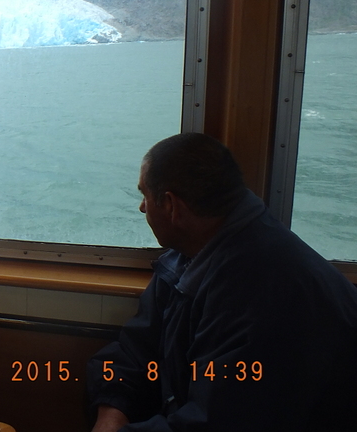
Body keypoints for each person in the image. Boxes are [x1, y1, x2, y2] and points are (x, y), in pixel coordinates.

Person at [87, 133, 357, 432]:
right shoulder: (187, 258)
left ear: (170, 205)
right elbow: (136, 351)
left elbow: (217, 422)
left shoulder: (261, 290)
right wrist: (111, 414)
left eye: (145, 196)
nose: (142, 208)